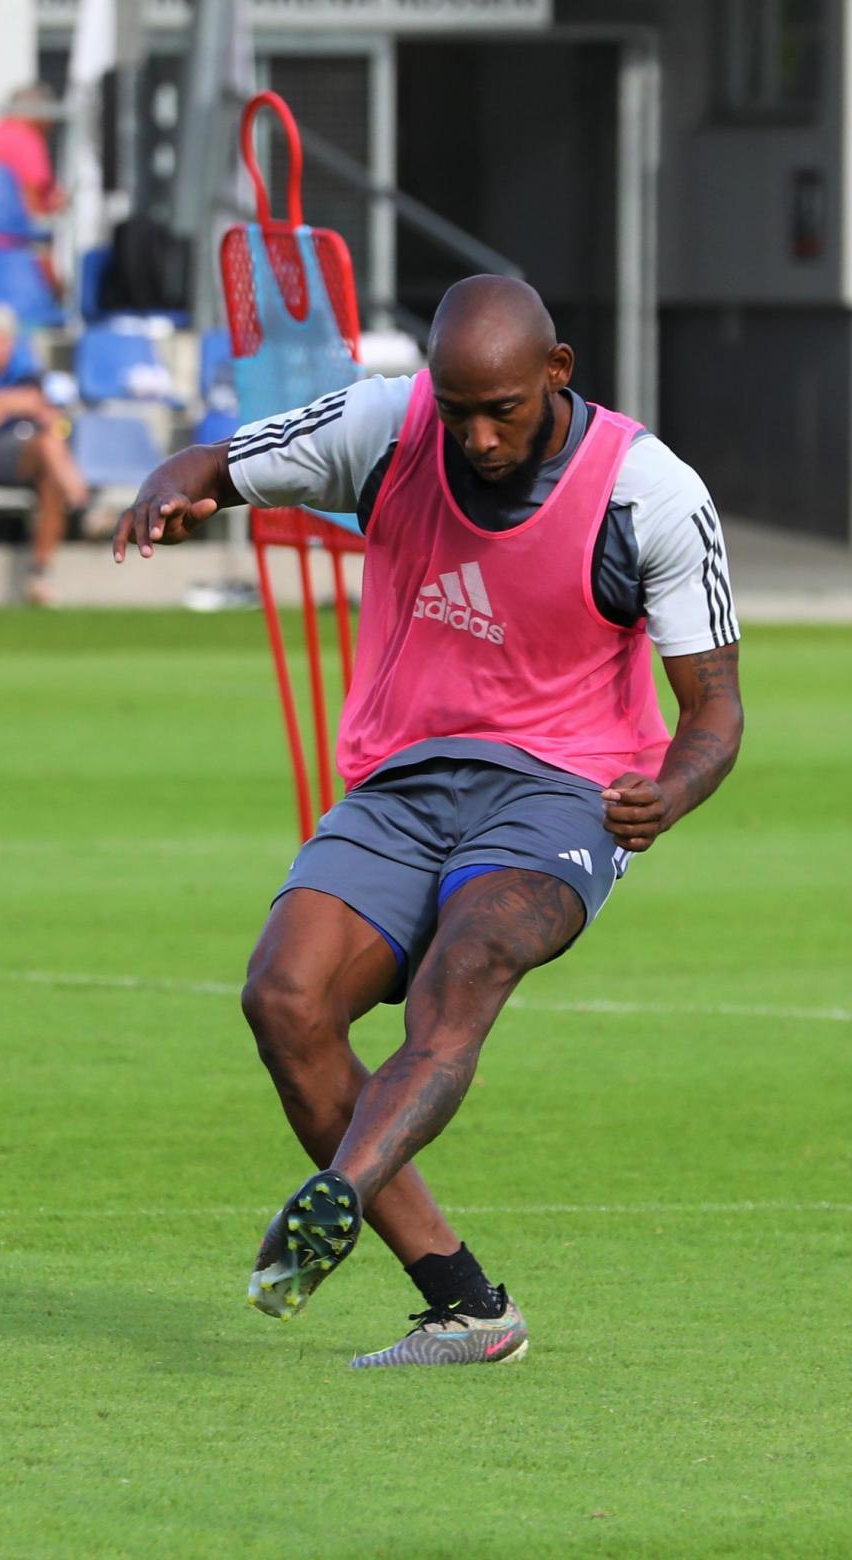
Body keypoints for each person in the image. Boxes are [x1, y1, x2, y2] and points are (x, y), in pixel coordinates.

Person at [112, 275, 744, 1368]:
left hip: (564, 786)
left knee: (470, 962)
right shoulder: (386, 424)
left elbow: (717, 711)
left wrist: (671, 792)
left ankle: (335, 1197)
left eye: (502, 410)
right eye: (458, 412)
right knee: (285, 1000)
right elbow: (220, 465)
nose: (479, 437)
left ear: (557, 373)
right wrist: (174, 485)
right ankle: (465, 1306)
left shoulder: (648, 492)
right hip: (402, 780)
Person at [0, 302, 87, 606]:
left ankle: (40, 574)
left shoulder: (26, 376)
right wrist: (16, 405)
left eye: (1, 339)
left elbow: (49, 414)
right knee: (48, 444)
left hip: (30, 455)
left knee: (50, 477)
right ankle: (82, 502)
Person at [0, 83, 66, 220]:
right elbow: (30, 197)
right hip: (10, 226)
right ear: (40, 114)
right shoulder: (28, 141)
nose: (51, 125)